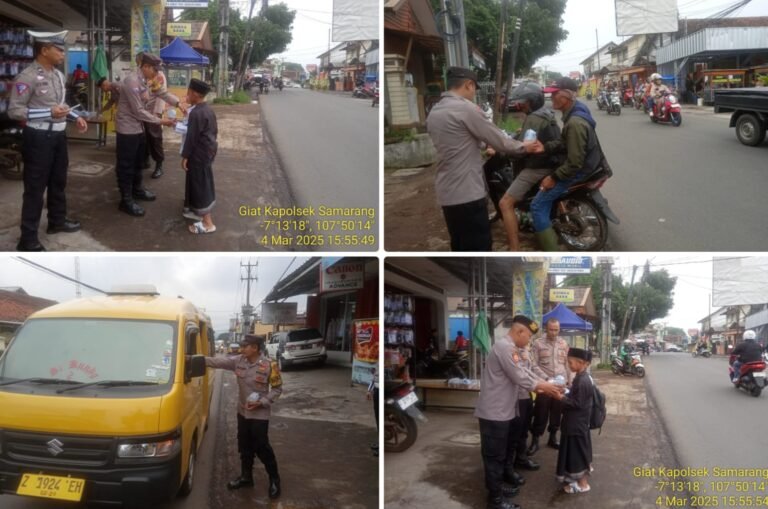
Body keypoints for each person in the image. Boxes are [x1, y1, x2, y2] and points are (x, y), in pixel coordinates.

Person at [426, 66, 543, 251]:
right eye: (474, 89)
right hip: (467, 193)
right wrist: (524, 147)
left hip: (446, 192)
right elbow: (500, 141)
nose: (473, 93)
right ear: (469, 85)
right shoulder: (466, 109)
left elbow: (459, 138)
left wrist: (483, 146)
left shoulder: (435, 111)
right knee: (479, 247)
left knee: (459, 244)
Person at [7, 30, 88, 252]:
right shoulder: (27, 76)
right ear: (44, 50)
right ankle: (28, 239)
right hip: (39, 137)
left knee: (58, 182)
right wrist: (48, 112)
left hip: (59, 136)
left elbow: (60, 106)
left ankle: (57, 221)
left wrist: (76, 117)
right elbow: (15, 111)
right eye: (59, 49)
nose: (63, 53)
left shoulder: (59, 76)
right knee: (34, 188)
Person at [474, 315, 563, 509]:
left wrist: (547, 384)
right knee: (494, 457)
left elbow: (526, 371)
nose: (529, 340)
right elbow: (521, 377)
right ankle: (495, 501)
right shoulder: (505, 348)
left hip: (503, 411)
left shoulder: (512, 348)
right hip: (494, 413)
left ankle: (498, 488)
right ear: (519, 331)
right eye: (529, 336)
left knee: (502, 452)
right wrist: (545, 387)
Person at [204, 334, 282, 498]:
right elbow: (216, 362)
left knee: (262, 446)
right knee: (244, 445)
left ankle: (274, 479)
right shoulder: (238, 360)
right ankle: (246, 477)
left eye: (246, 346)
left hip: (259, 414)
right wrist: (192, 359)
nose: (242, 348)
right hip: (242, 412)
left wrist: (262, 402)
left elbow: (276, 389)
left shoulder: (270, 365)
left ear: (255, 348)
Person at [532, 77, 602, 250]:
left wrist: (553, 178)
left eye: (555, 94)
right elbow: (565, 141)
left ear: (567, 96)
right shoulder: (577, 110)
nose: (552, 98)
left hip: (580, 170)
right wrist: (545, 147)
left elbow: (574, 163)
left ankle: (551, 251)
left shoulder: (575, 123)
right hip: (590, 164)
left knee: (537, 205)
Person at [498, 81, 563, 251]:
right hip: (553, 162)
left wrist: (502, 151)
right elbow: (531, 137)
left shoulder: (534, 118)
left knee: (505, 203)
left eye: (523, 101)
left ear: (531, 101)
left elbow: (522, 148)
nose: (519, 104)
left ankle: (514, 249)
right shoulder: (546, 113)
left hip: (538, 166)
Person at [113, 53, 175, 217]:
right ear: (146, 67)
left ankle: (137, 190)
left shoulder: (146, 80)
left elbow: (161, 92)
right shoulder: (132, 81)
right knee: (126, 165)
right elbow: (139, 111)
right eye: (155, 70)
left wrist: (179, 103)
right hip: (127, 129)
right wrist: (161, 122)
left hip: (139, 128)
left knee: (139, 161)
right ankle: (125, 200)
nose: (157, 74)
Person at [135, 52, 184, 179]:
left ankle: (159, 165)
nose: (155, 72)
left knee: (155, 138)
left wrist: (178, 104)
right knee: (143, 138)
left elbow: (162, 94)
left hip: (153, 112)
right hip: (140, 113)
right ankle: (144, 160)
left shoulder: (156, 76)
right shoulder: (136, 77)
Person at [552, 347, 594, 494]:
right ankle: (578, 481)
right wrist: (568, 390)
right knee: (577, 452)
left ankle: (582, 484)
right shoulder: (582, 377)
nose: (569, 365)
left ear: (581, 362)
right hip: (578, 423)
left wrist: (561, 397)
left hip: (576, 424)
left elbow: (577, 404)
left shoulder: (582, 380)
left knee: (576, 454)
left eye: (571, 362)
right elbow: (577, 397)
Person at [528, 318, 572, 455]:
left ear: (559, 329)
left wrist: (569, 381)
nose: (553, 332)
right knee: (541, 412)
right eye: (551, 329)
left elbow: (567, 364)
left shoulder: (564, 343)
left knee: (557, 412)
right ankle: (535, 440)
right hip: (545, 384)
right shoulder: (538, 344)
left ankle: (552, 438)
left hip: (560, 386)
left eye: (556, 330)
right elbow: (533, 364)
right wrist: (547, 379)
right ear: (546, 328)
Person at [182, 78, 218, 234]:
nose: (187, 94)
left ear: (196, 94)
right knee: (203, 182)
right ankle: (197, 213)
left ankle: (208, 223)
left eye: (189, 92)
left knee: (199, 185)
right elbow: (214, 132)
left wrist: (185, 156)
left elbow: (191, 138)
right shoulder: (207, 109)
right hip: (208, 152)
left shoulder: (196, 113)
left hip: (198, 155)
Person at [367, 366, 379, 457]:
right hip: (377, 389)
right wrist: (369, 390)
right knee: (378, 417)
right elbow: (374, 377)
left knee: (379, 416)